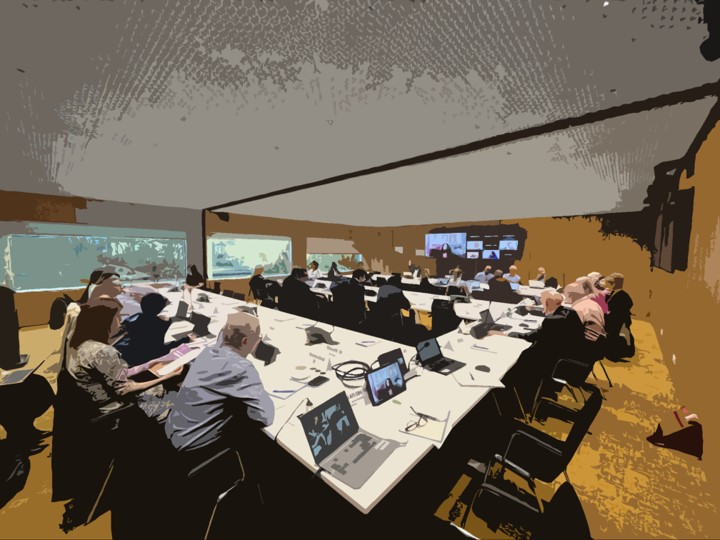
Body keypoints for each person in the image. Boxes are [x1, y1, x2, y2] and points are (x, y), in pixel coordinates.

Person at [164, 312, 275, 539]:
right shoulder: (241, 367)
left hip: (171, 432)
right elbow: (265, 416)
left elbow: (225, 341)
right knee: (255, 436)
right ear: (247, 341)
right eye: (257, 339)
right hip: (194, 450)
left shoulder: (207, 352)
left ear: (223, 333)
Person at [497, 290, 586, 414]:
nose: (540, 303)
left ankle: (508, 402)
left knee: (509, 365)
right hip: (566, 354)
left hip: (549, 362)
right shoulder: (569, 312)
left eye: (542, 301)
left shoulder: (552, 321)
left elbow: (533, 336)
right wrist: (536, 310)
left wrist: (508, 333)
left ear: (548, 303)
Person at [114, 293, 192, 367]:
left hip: (131, 353)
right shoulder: (163, 324)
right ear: (161, 308)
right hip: (150, 355)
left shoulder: (134, 319)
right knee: (184, 341)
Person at [563, 282, 607, 360]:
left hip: (587, 347)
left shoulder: (579, 308)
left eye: (565, 294)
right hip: (597, 343)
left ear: (570, 295)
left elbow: (571, 331)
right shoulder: (591, 303)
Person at [605, 273, 635, 360]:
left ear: (615, 284)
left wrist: (610, 313)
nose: (609, 285)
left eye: (610, 283)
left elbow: (625, 307)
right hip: (612, 320)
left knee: (617, 337)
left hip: (618, 321)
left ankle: (615, 353)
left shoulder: (623, 296)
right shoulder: (612, 293)